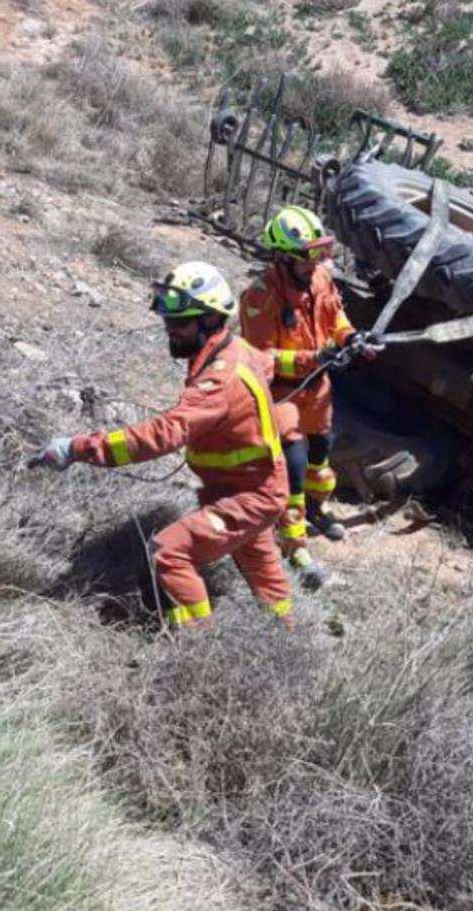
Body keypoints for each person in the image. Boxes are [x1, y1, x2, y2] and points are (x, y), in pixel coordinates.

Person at [31, 260, 292, 628]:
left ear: (209, 320)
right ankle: (286, 635)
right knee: (264, 575)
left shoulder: (217, 382)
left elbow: (162, 435)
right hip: (247, 487)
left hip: (250, 495)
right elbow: (268, 362)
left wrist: (79, 448)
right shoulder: (235, 349)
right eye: (168, 320)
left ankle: (198, 649)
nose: (170, 330)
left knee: (168, 554)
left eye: (180, 322)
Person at [239, 205, 375, 583]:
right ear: (281, 257)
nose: (314, 264)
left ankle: (316, 510)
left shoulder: (320, 279)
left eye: (320, 254)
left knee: (319, 461)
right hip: (283, 399)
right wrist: (310, 357)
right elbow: (259, 359)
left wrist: (351, 338)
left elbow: (336, 318)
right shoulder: (260, 296)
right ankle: (295, 548)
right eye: (306, 257)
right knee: (294, 472)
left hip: (318, 394)